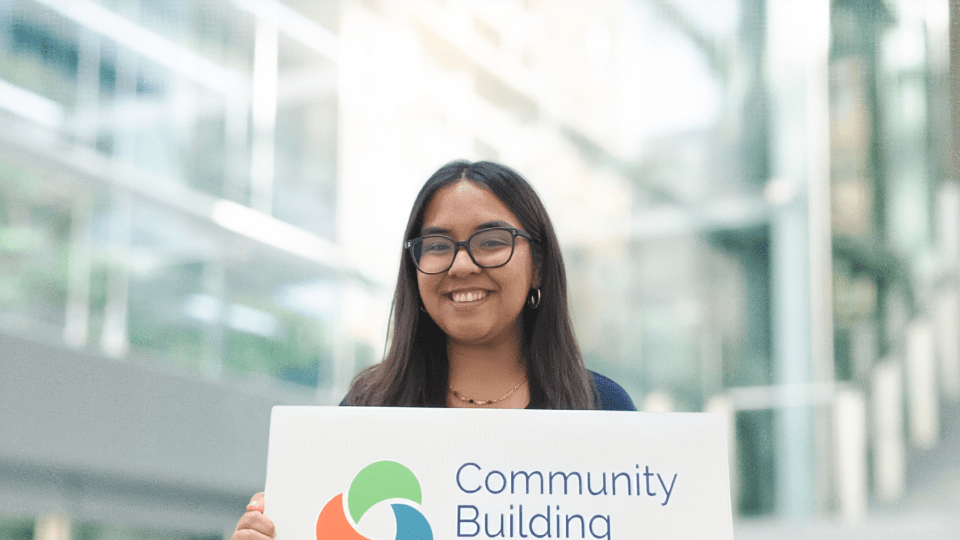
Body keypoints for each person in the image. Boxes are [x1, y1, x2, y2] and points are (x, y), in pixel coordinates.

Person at [231, 160, 635, 540]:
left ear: (540, 265)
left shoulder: (602, 408)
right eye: (438, 245)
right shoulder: (367, 410)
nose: (461, 265)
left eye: (492, 241)